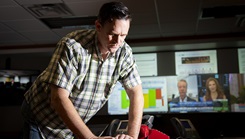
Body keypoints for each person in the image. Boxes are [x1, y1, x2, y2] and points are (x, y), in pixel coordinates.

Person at [21, 2, 144, 139]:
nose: (118, 41)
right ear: (98, 26)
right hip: (41, 118)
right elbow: (58, 98)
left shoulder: (124, 52)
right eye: (113, 34)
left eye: (123, 35)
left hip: (68, 126)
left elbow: (136, 93)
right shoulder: (72, 46)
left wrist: (131, 136)